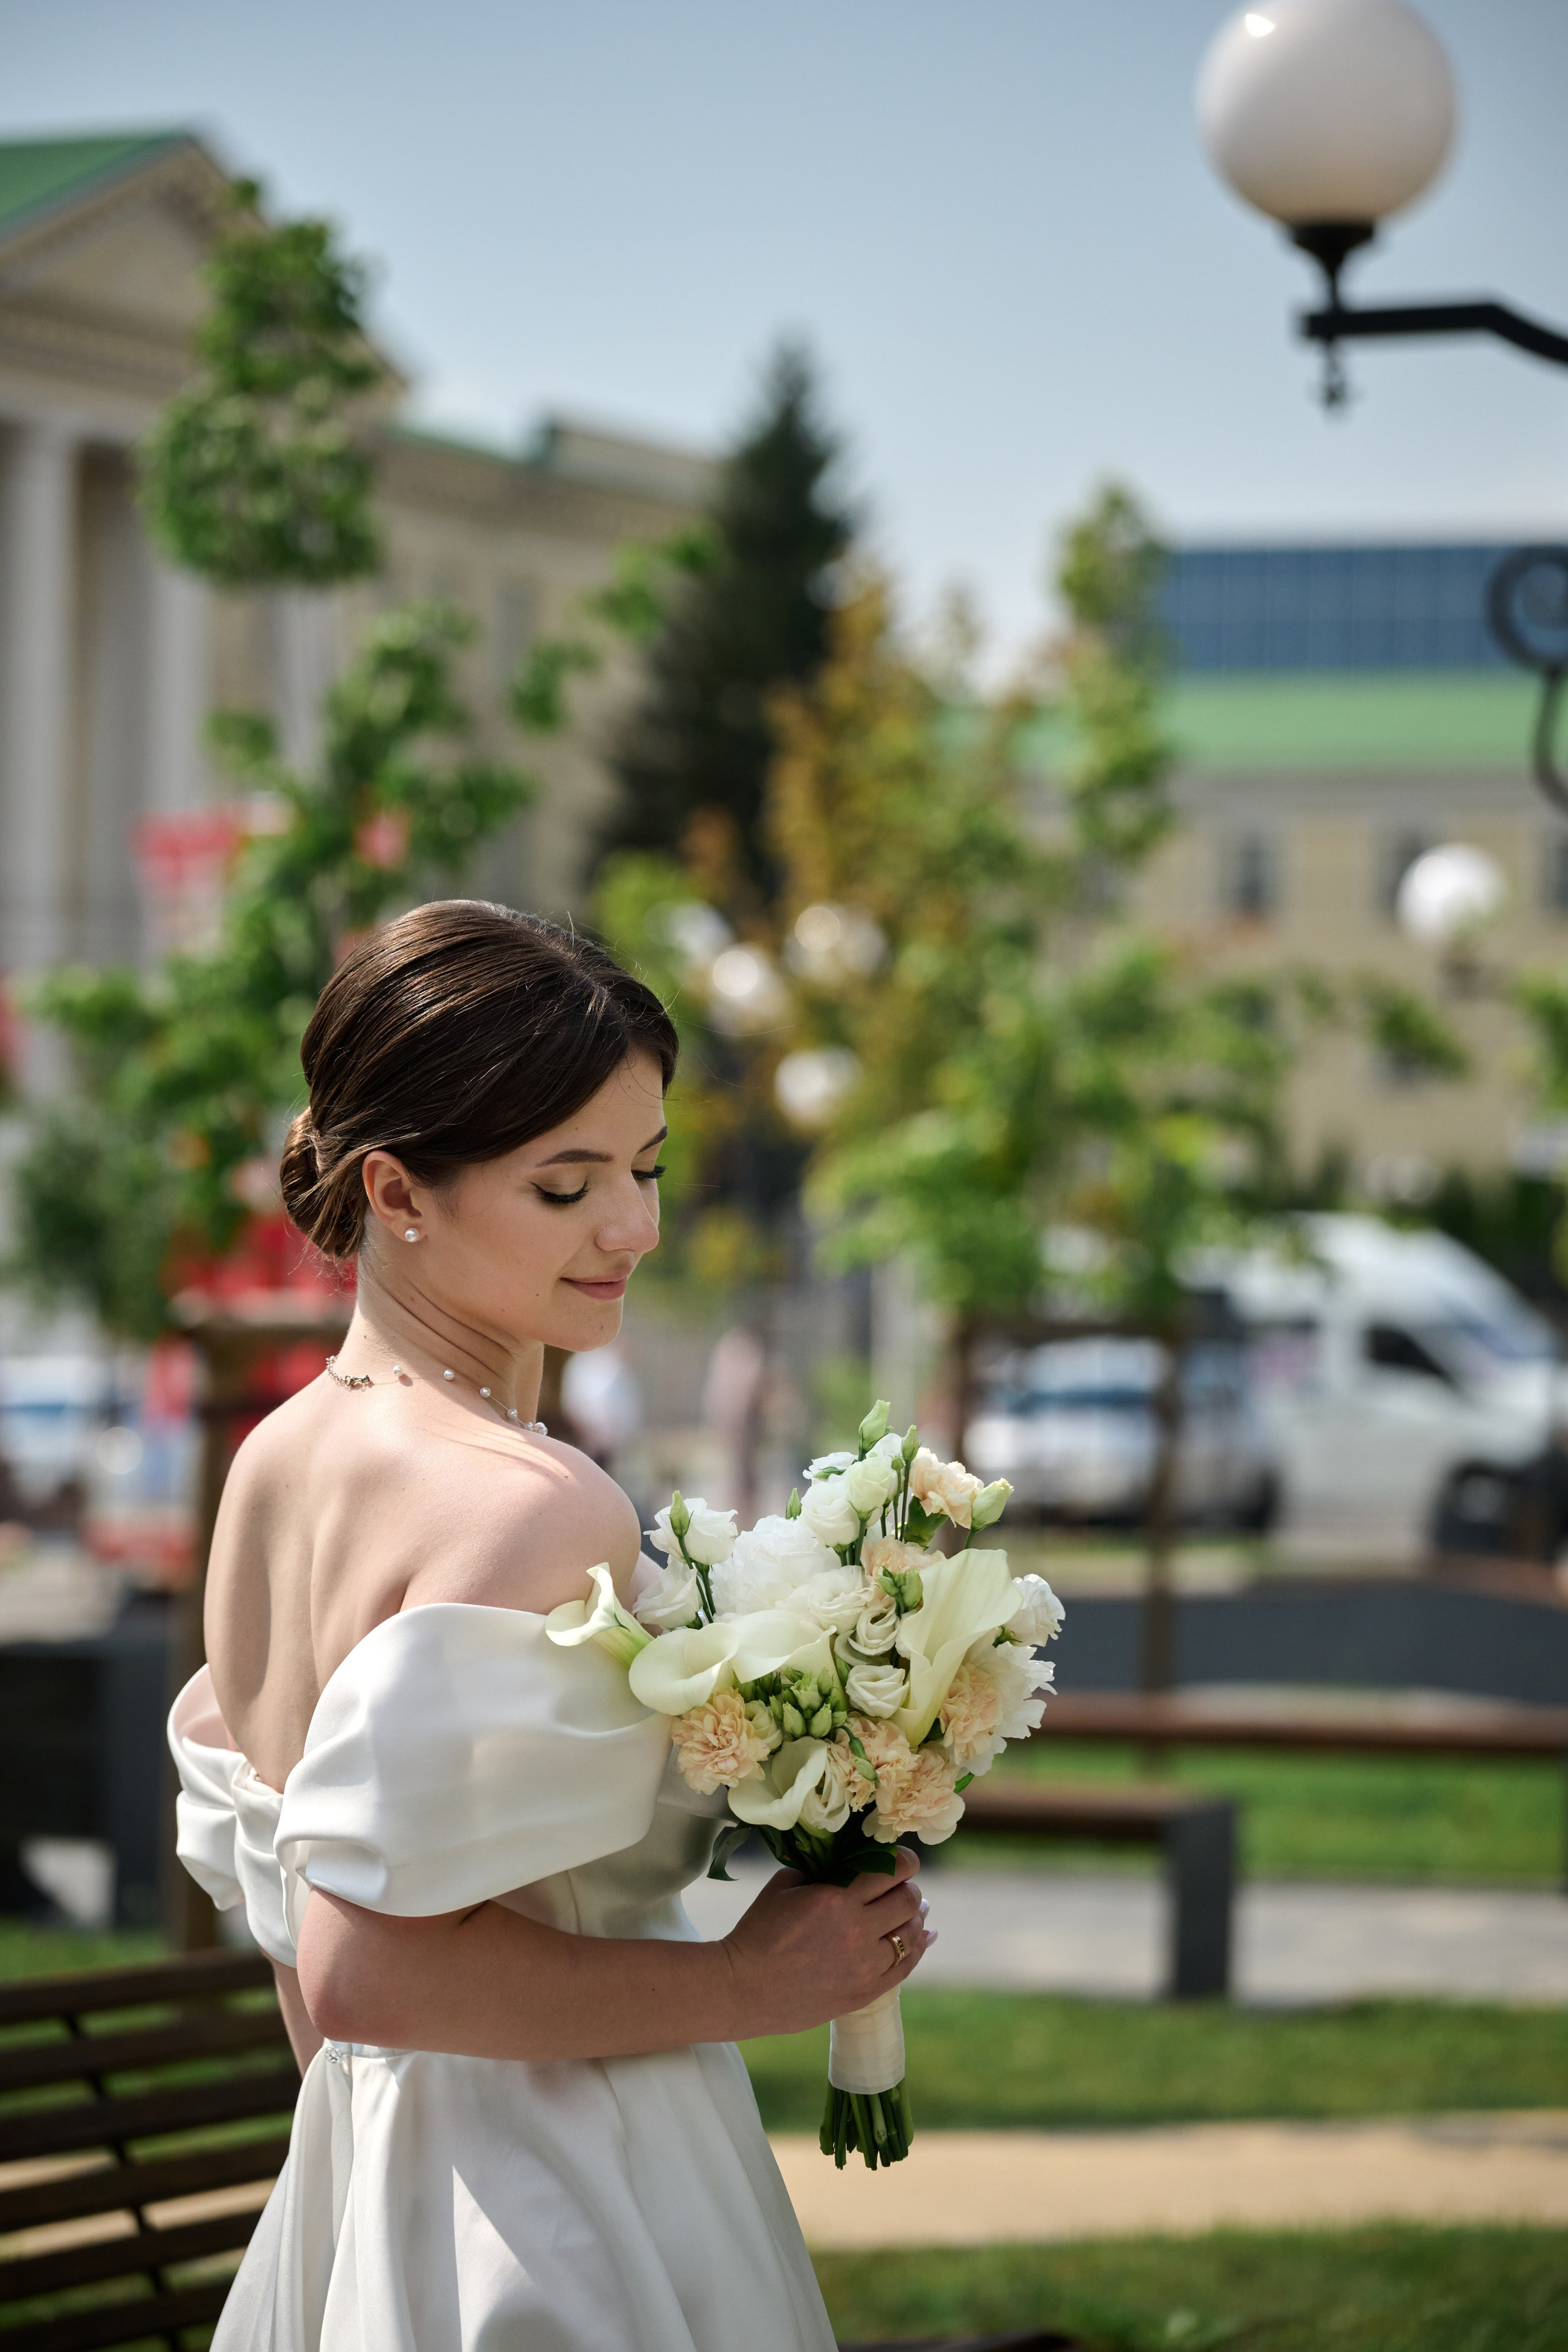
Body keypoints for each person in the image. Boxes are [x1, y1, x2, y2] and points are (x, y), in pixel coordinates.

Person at [168, 900, 930, 2352]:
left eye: (642, 1169)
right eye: (565, 1186)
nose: (631, 1228)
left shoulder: (275, 1463)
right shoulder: (530, 1505)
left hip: (362, 2181)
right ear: (397, 1191)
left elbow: (317, 1983)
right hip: (566, 2200)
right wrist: (747, 1982)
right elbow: (364, 1960)